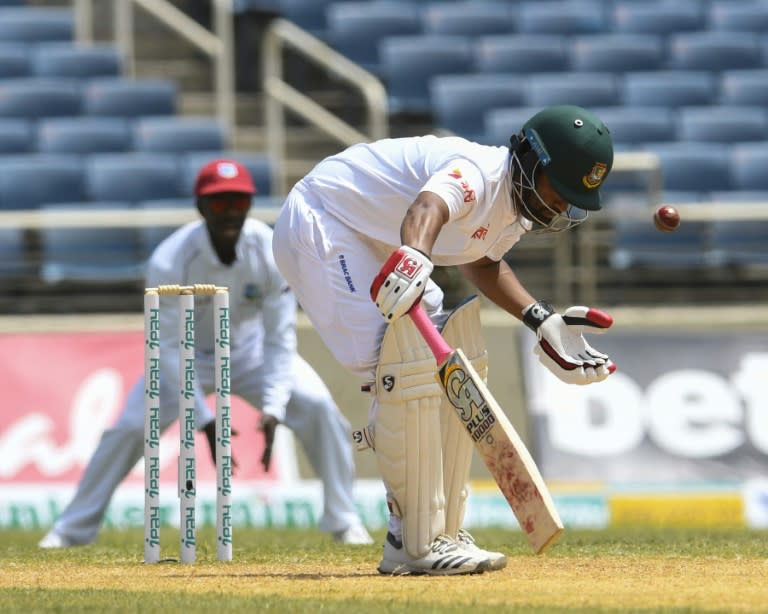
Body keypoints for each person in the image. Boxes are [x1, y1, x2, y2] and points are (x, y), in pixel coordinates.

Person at [272, 105, 617, 575]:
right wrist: (414, 255)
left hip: (373, 235)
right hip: (325, 219)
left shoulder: (514, 208)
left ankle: (440, 530)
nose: (560, 207)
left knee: (440, 357)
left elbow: (481, 261)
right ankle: (409, 540)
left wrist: (541, 318)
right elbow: (428, 208)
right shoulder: (477, 172)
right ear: (533, 161)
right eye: (560, 191)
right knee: (395, 364)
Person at [39, 158, 373, 549]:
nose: (231, 212)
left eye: (239, 202)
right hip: (186, 360)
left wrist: (274, 406)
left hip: (250, 354)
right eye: (219, 204)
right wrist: (203, 420)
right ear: (200, 207)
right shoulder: (171, 259)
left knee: (318, 407)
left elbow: (279, 339)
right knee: (129, 429)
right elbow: (165, 348)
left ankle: (343, 520)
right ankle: (70, 530)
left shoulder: (269, 250)